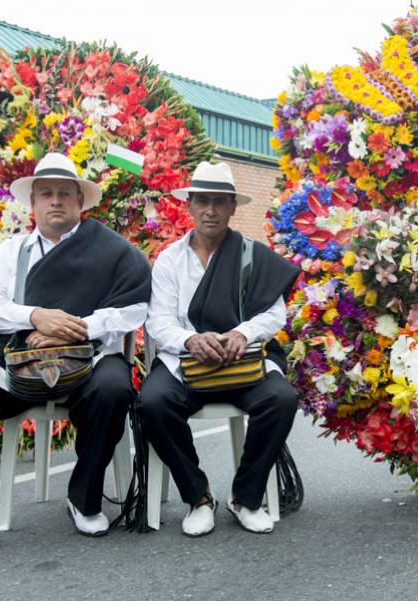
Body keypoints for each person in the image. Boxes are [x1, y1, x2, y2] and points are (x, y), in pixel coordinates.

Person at [0, 153, 151, 558]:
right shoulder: (12, 251)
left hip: (89, 358)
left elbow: (134, 309)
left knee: (114, 388)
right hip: (20, 357)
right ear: (33, 203)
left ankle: (85, 499)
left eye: (64, 193)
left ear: (80, 201)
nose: (55, 201)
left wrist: (74, 329)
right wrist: (35, 317)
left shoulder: (113, 250)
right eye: (46, 194)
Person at [137, 161, 300, 536]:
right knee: (152, 404)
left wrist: (242, 333)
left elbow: (276, 313)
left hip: (241, 362)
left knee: (280, 400)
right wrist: (190, 340)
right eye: (203, 201)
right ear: (190, 205)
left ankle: (245, 496)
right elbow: (158, 321)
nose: (211, 210)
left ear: (232, 207)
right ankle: (198, 497)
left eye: (220, 202)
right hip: (186, 363)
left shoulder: (250, 255)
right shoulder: (169, 260)